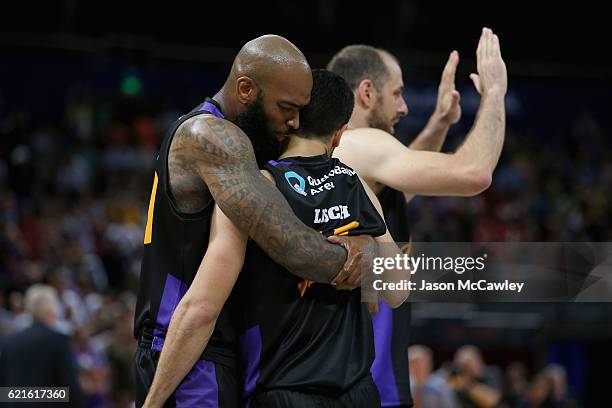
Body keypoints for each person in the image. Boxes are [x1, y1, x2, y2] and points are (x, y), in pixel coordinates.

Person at [134, 35, 376, 408]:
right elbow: (295, 248)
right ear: (246, 89)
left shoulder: (223, 137)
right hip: (188, 352)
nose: (294, 122)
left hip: (200, 347)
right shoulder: (214, 138)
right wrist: (363, 257)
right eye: (285, 108)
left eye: (301, 111)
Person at [328, 27, 507, 407]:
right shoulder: (358, 143)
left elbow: (400, 186)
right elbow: (474, 172)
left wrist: (441, 123)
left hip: (351, 375)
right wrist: (494, 95)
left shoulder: (343, 157)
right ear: (365, 93)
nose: (404, 106)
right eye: (397, 93)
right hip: (363, 380)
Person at [0, 284, 83, 407]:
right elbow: (70, 389)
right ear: (51, 309)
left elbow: (4, 391)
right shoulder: (57, 341)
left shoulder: (9, 342)